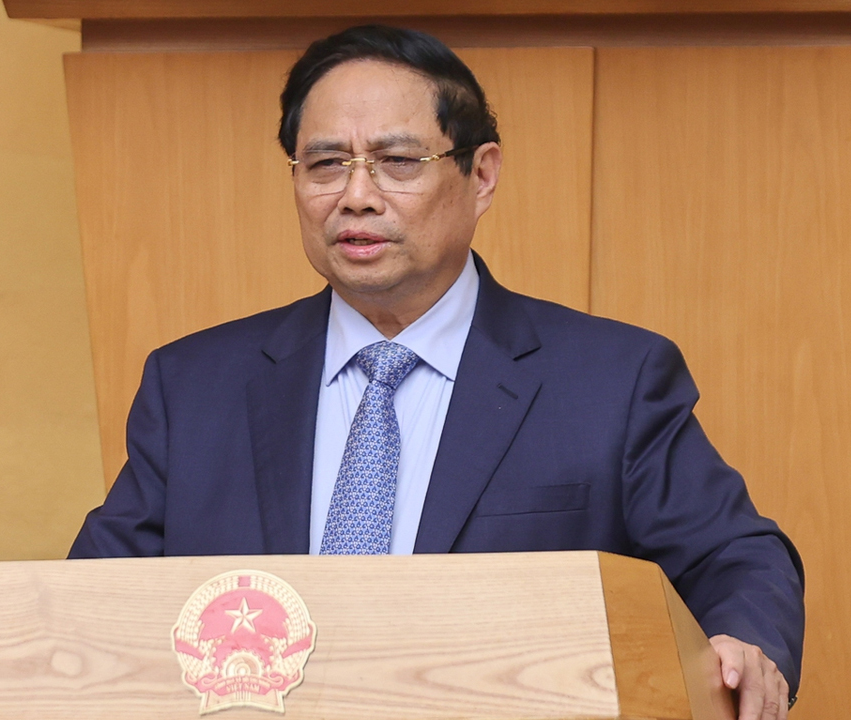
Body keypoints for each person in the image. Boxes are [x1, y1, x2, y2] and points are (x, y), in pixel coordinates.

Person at [68, 24, 804, 720]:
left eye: (398, 162)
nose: (357, 196)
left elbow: (735, 555)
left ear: (480, 175)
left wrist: (744, 645)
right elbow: (87, 608)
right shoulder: (194, 387)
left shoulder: (611, 382)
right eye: (326, 164)